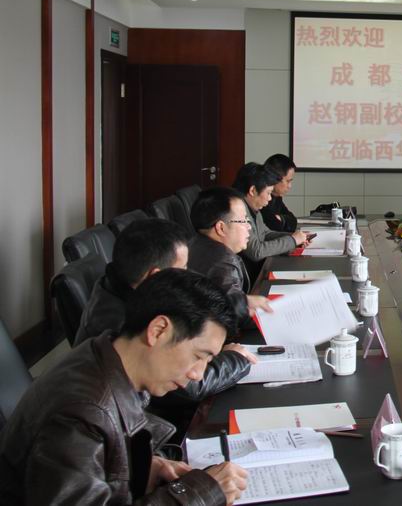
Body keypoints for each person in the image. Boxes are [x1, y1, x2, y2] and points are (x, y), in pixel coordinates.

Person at [0, 269, 248, 505]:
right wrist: (200, 492)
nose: (198, 374)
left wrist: (141, 467)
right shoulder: (82, 413)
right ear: (158, 330)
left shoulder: (103, 353)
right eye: (199, 356)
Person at [75, 218, 254, 401]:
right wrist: (234, 359)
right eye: (182, 269)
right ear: (156, 276)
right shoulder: (119, 324)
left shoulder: (121, 284)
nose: (187, 275)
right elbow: (191, 385)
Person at [188, 187, 274, 325]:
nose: (249, 227)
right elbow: (233, 315)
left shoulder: (195, 243)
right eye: (243, 220)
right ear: (221, 228)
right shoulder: (223, 262)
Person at [233, 162, 310, 279]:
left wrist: (294, 237)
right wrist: (293, 240)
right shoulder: (237, 211)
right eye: (268, 193)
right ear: (253, 190)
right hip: (246, 278)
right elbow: (256, 251)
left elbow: (265, 234)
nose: (270, 199)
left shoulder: (253, 206)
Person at [261, 154, 298, 232]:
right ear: (275, 178)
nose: (290, 186)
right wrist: (281, 220)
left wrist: (280, 218)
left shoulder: (276, 197)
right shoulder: (261, 197)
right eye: (288, 181)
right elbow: (274, 225)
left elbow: (293, 221)